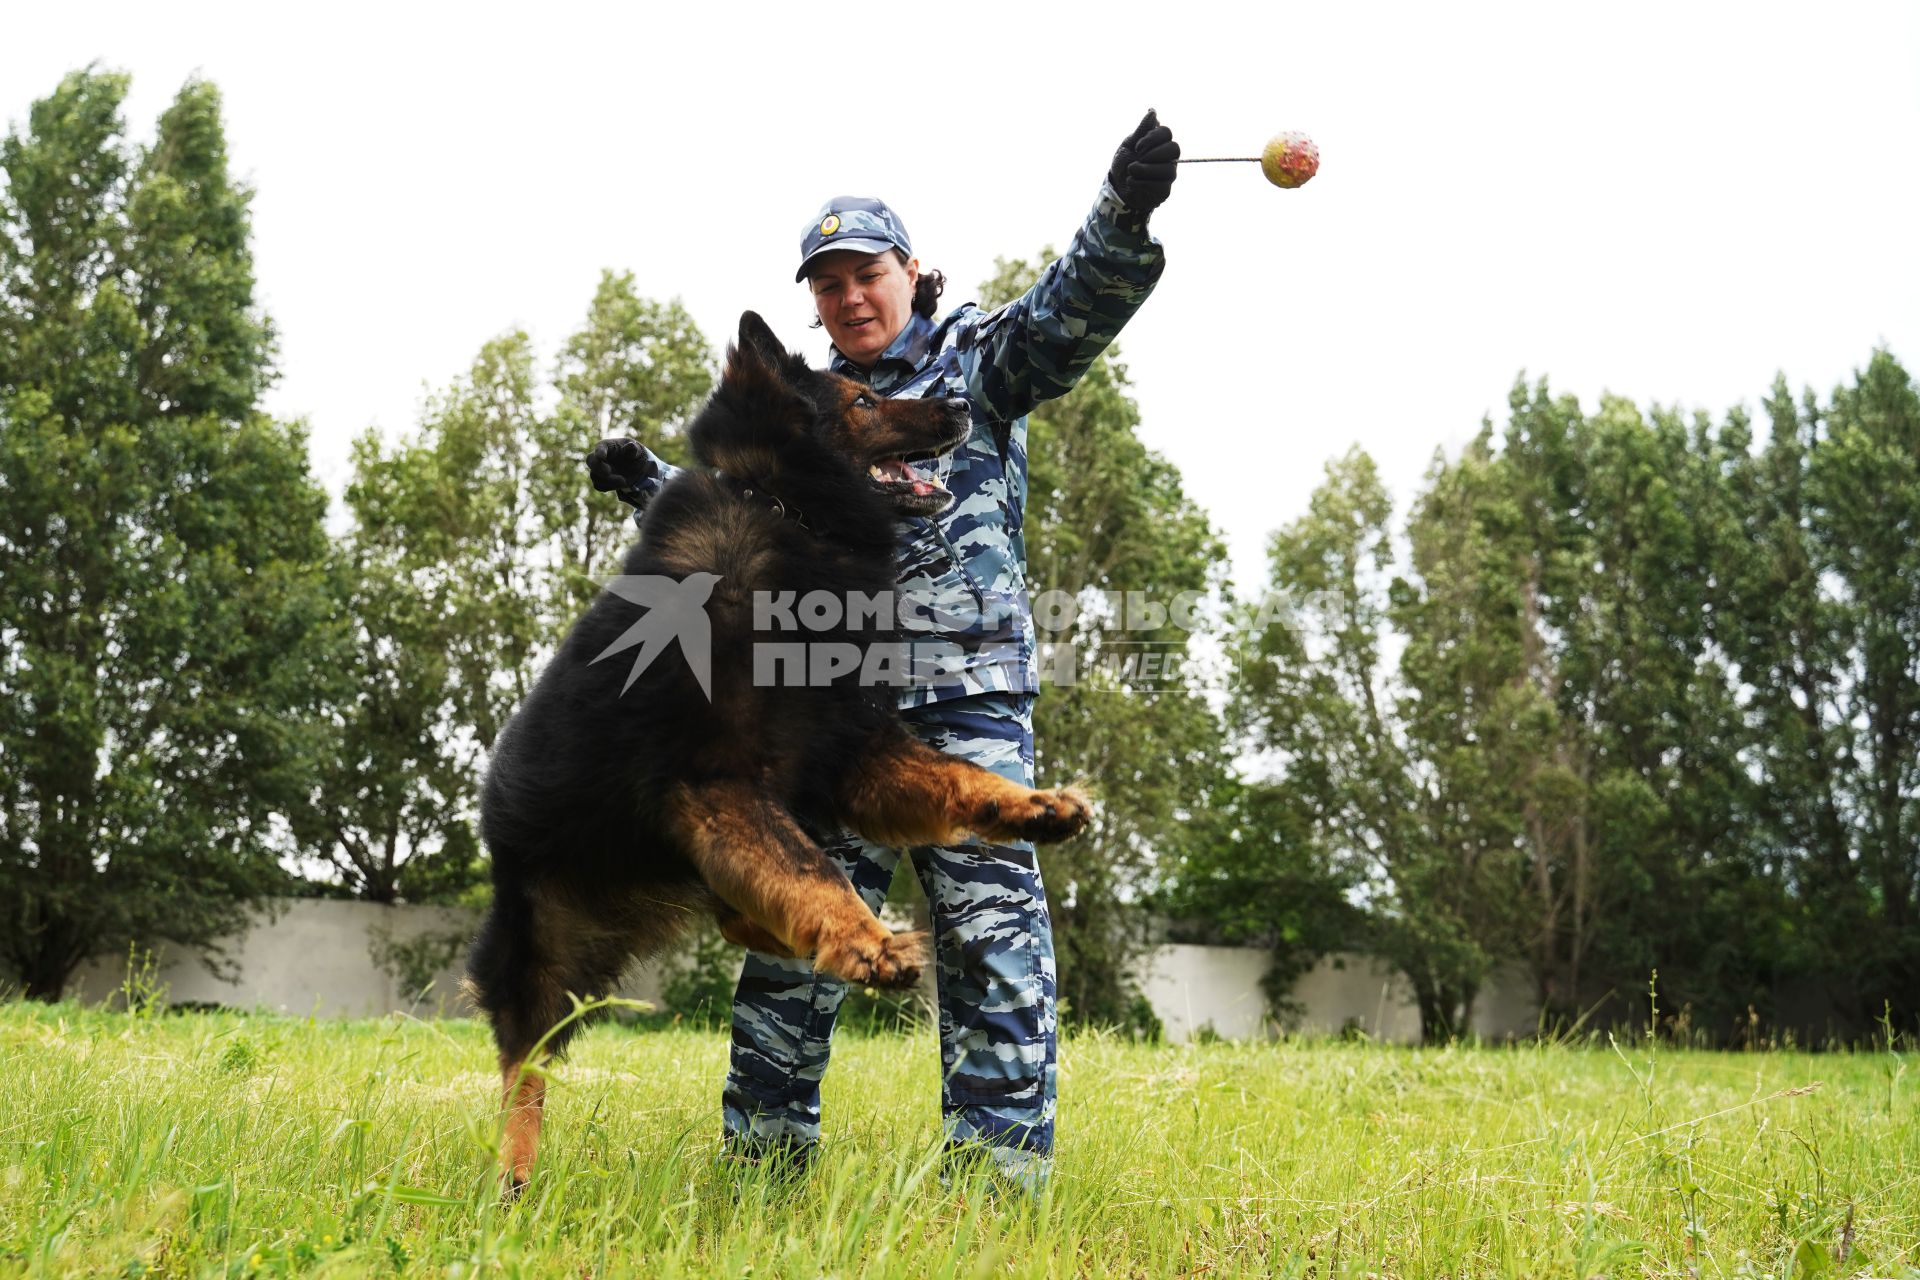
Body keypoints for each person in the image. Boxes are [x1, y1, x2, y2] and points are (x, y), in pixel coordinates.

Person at [586, 110, 1180, 1189]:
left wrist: (1124, 207)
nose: (850, 295)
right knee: (801, 937)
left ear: (912, 270)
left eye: (867, 271)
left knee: (989, 932)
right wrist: (640, 484)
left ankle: (995, 1185)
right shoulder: (803, 408)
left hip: (962, 700)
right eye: (828, 282)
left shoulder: (978, 362)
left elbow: (1069, 310)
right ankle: (762, 1171)